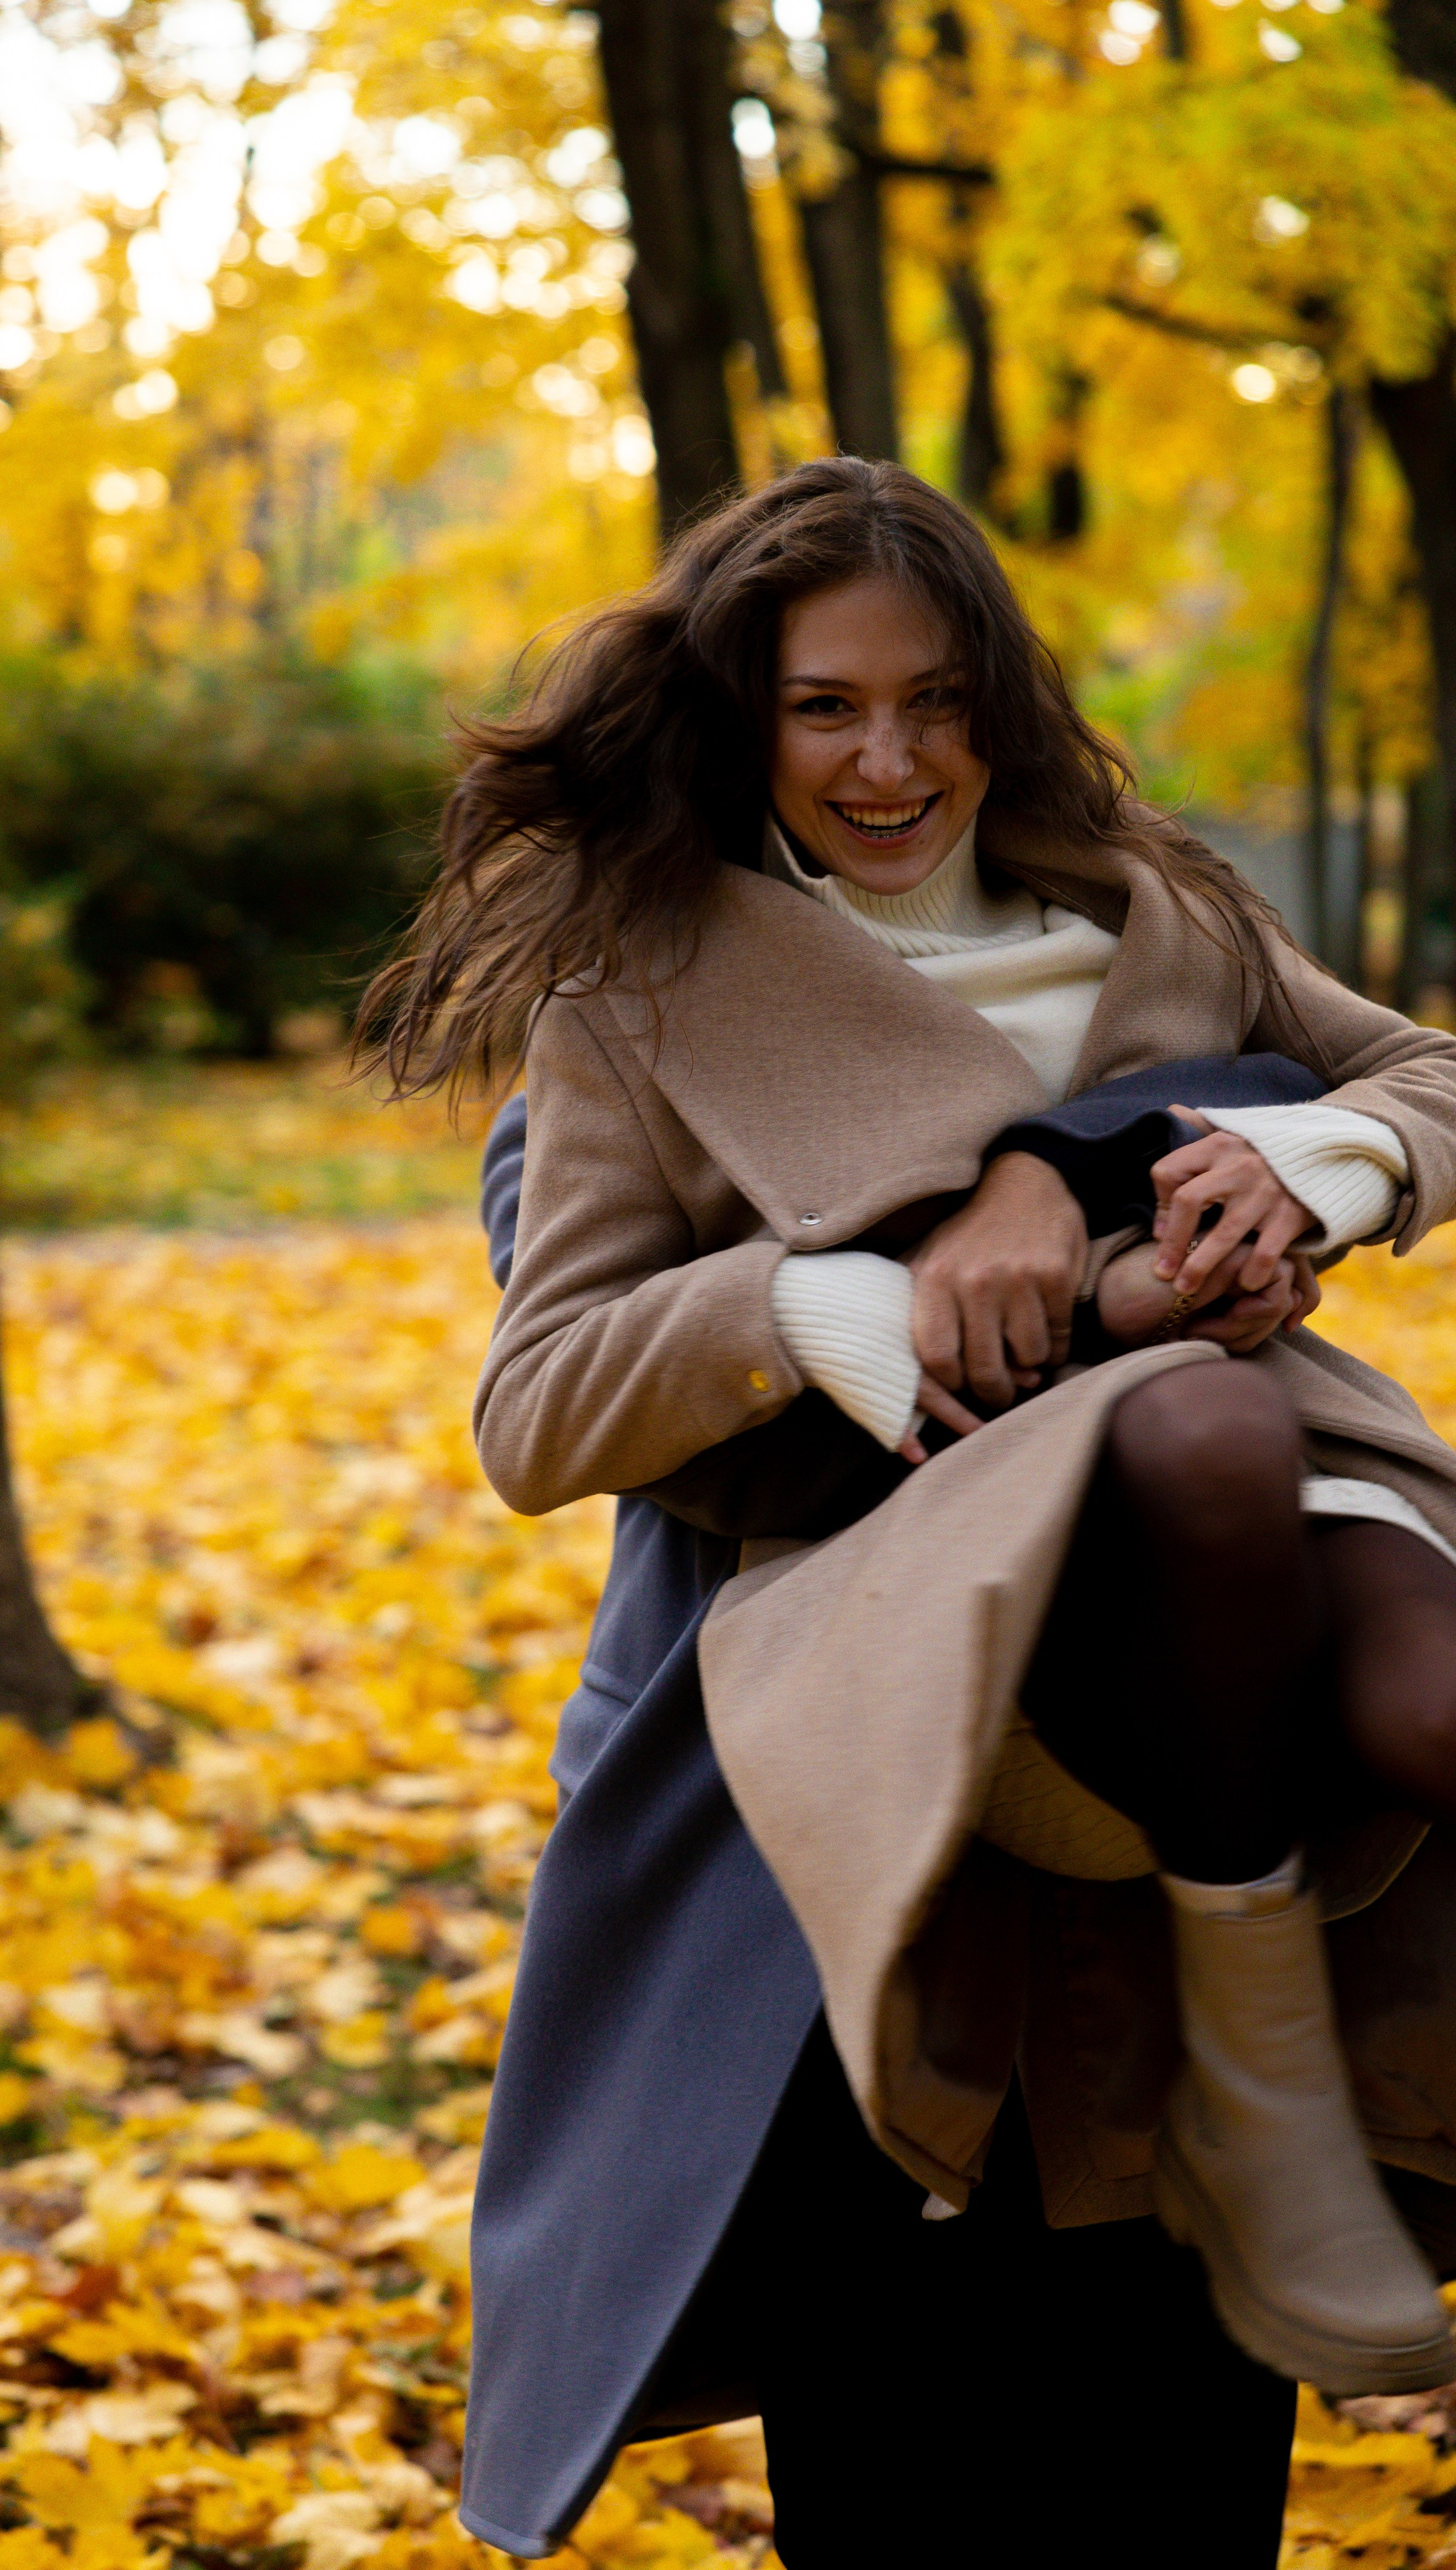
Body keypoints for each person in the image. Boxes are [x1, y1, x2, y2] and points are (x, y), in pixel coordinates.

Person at [357, 457, 1456, 2565]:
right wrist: (823, 1297)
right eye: (827, 709)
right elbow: (556, 1394)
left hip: (1200, 1749)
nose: (893, 761)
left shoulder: (1163, 909)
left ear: (1004, 705)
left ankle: (1276, 2072)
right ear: (738, 722)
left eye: (939, 702)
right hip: (894, 1820)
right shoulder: (645, 1003)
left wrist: (1308, 1172)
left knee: (1183, 2426)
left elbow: (1408, 1075)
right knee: (913, 2426)